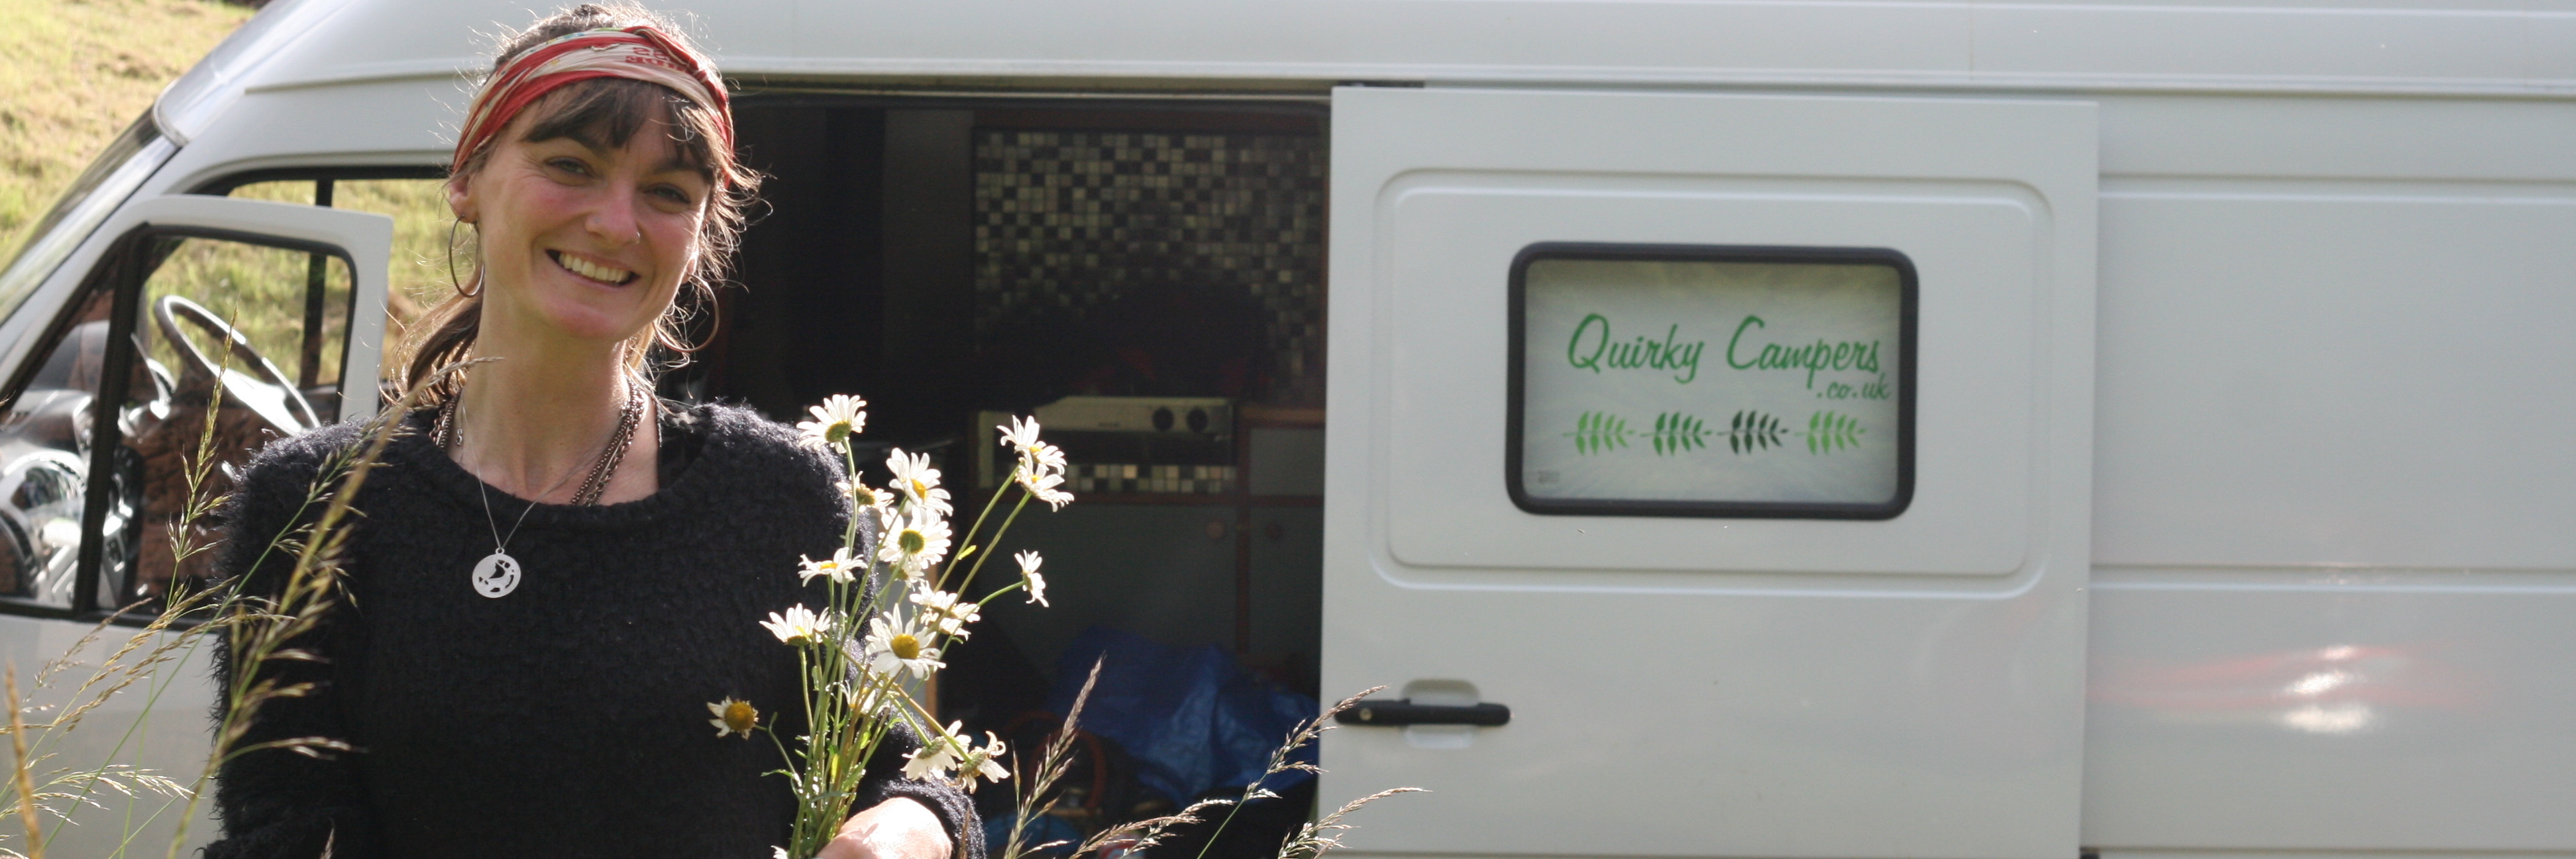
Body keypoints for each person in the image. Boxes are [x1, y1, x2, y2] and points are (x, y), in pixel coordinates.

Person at [204, 5, 978, 857]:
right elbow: (283, 826)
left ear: (700, 239)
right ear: (467, 177)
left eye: (667, 193)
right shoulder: (315, 505)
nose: (615, 223)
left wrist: (905, 831)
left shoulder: (781, 497)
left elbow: (902, 777)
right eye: (571, 165)